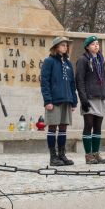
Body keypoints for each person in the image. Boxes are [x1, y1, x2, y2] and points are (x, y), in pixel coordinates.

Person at [40, 36, 77, 166]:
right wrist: (47, 100)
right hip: (54, 101)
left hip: (67, 99)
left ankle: (62, 155)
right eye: (62, 45)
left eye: (66, 45)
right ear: (56, 47)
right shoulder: (49, 61)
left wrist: (74, 101)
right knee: (52, 127)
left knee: (63, 128)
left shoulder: (68, 63)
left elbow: (72, 83)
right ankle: (53, 157)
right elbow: (44, 82)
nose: (65, 47)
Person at [75, 36, 105, 164]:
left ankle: (96, 154)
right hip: (89, 98)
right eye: (93, 44)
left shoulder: (101, 60)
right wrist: (83, 99)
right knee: (88, 125)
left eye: (97, 44)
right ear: (87, 46)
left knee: (98, 127)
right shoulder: (83, 60)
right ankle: (88, 155)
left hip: (100, 97)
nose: (96, 46)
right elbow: (79, 80)